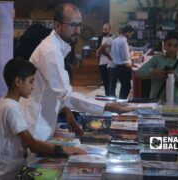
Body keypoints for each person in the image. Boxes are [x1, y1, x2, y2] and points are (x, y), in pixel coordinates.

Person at [20, 3, 134, 141]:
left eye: (80, 25)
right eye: (73, 25)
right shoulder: (50, 51)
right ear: (57, 25)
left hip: (44, 118)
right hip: (35, 122)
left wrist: (67, 112)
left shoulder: (56, 47)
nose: (78, 31)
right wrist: (108, 106)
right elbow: (65, 95)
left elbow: (55, 90)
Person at [0, 58, 86, 179]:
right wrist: (64, 149)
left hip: (5, 167)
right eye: (31, 82)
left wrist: (66, 111)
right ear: (18, 81)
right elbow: (32, 144)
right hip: (9, 172)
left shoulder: (3, 102)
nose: (33, 87)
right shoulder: (11, 108)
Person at [136, 31, 178, 103]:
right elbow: (139, 72)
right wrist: (154, 71)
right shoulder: (157, 59)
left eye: (175, 46)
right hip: (155, 103)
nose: (172, 49)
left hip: (172, 104)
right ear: (164, 45)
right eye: (169, 45)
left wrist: (175, 76)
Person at [111, 25, 134, 99]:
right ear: (127, 32)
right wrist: (131, 55)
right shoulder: (124, 41)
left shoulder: (115, 40)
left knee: (123, 86)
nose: (131, 35)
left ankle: (120, 101)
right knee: (127, 87)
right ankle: (122, 102)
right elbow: (125, 57)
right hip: (124, 67)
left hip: (117, 66)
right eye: (131, 33)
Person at [96, 23, 114, 97]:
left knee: (110, 81)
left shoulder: (112, 38)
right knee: (105, 81)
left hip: (110, 62)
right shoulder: (100, 37)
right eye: (103, 29)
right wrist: (98, 51)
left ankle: (111, 96)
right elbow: (98, 48)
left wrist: (109, 55)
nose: (104, 31)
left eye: (106, 30)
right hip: (102, 62)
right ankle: (107, 95)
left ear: (109, 29)